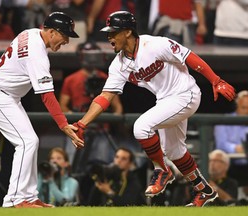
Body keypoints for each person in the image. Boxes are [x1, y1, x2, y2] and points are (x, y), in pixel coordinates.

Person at [72, 11, 236, 207]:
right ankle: (204, 190)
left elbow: (189, 56)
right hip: (166, 101)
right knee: (175, 152)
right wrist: (83, 122)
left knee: (141, 127)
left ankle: (162, 171)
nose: (109, 37)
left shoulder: (155, 44)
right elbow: (105, 96)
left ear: (127, 32)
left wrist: (215, 80)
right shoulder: (119, 64)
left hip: (186, 93)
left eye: (113, 32)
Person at [0, 12, 84, 208]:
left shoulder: (31, 32)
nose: (67, 41)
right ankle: (15, 199)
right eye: (64, 35)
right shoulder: (37, 54)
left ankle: (29, 195)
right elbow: (47, 96)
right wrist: (63, 125)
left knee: (30, 141)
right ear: (51, 32)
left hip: (4, 93)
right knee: (26, 142)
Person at [59, 41, 123, 168]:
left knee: (101, 165)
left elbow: (117, 106)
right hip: (77, 129)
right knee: (70, 165)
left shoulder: (106, 78)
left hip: (101, 128)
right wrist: (73, 115)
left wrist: (113, 119)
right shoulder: (71, 79)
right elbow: (63, 106)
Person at [214, 90, 248, 186]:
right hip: (230, 165)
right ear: (236, 107)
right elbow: (221, 144)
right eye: (244, 108)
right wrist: (235, 148)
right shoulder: (224, 121)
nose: (247, 112)